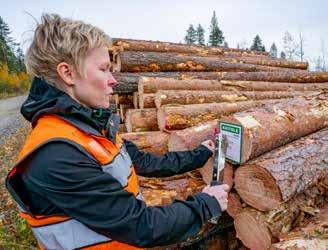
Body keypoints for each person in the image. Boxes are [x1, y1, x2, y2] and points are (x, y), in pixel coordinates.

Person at [6, 13, 229, 249]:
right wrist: (206, 204)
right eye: (103, 69)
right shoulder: (56, 154)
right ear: (67, 73)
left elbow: (148, 163)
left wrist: (201, 153)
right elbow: (141, 225)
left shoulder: (88, 130)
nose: (113, 80)